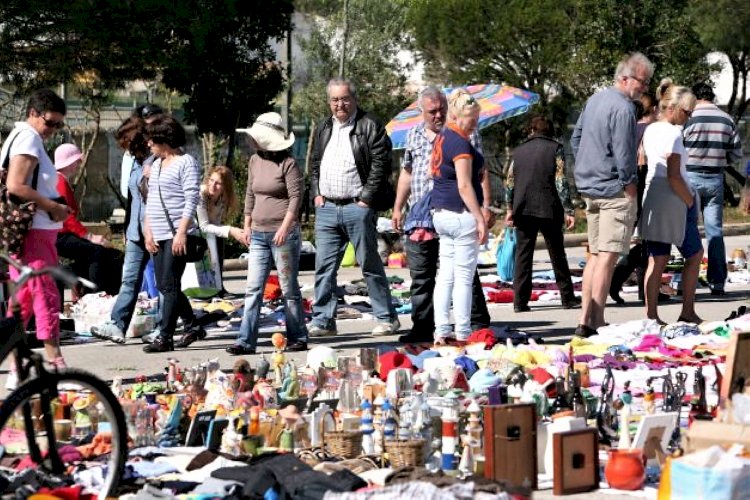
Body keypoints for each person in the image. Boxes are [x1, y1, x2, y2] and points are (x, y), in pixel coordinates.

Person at [391, 86, 492, 344]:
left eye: (441, 110)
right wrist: (397, 207)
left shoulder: (453, 137)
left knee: (454, 273)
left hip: (447, 210)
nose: (437, 115)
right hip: (441, 212)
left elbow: (477, 173)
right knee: (442, 275)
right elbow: (411, 173)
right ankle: (446, 329)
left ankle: (458, 326)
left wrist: (486, 205)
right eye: (432, 111)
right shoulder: (432, 137)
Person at [571, 52, 654, 338]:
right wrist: (629, 182)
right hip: (612, 189)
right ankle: (594, 320)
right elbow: (623, 151)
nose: (644, 89)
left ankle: (587, 318)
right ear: (624, 77)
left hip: (590, 185)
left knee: (595, 256)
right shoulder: (623, 108)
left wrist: (586, 165)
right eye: (642, 82)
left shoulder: (595, 100)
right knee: (607, 256)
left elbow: (575, 138)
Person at [308, 78, 399, 337]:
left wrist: (366, 200)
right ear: (329, 102)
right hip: (327, 208)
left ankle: (386, 317)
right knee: (324, 267)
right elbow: (314, 163)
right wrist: (316, 194)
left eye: (345, 98)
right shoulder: (325, 127)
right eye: (335, 100)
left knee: (369, 264)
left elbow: (381, 163)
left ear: (354, 99)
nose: (340, 104)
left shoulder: (370, 125)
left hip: (357, 207)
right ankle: (324, 321)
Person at [226, 112, 308, 355]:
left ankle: (298, 336)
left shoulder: (289, 164)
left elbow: (296, 198)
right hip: (259, 234)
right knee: (253, 288)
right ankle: (245, 340)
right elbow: (251, 194)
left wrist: (285, 227)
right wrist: (247, 224)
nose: (252, 141)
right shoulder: (254, 161)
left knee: (288, 288)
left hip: (282, 234)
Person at [2, 88, 72, 373]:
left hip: (29, 230)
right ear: (33, 113)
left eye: (58, 124)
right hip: (35, 229)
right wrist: (52, 207)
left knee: (24, 298)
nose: (53, 130)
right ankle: (56, 362)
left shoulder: (20, 136)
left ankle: (15, 363)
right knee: (45, 293)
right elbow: (16, 185)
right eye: (50, 122)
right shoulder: (29, 138)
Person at [91, 116, 162, 344]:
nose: (125, 150)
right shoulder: (136, 162)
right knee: (129, 279)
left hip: (157, 232)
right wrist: (127, 228)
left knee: (164, 283)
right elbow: (132, 199)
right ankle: (118, 324)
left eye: (126, 144)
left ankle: (165, 326)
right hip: (134, 232)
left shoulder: (157, 161)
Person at [640, 80, 702, 324]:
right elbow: (674, 175)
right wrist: (689, 200)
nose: (688, 117)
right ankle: (687, 311)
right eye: (687, 112)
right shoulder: (674, 133)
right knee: (695, 254)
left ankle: (651, 315)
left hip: (654, 196)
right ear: (672, 108)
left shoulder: (651, 129)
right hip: (674, 199)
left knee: (657, 259)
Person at [504, 115, 579, 312]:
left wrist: (509, 208)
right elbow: (560, 181)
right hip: (549, 207)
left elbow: (510, 182)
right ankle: (567, 297)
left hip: (523, 207)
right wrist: (569, 209)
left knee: (523, 255)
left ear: (531, 130)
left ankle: (520, 302)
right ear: (549, 131)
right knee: (557, 253)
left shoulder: (518, 152)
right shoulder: (555, 149)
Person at [142, 115, 204, 353]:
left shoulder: (186, 162)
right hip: (157, 233)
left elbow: (191, 199)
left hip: (177, 233)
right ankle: (192, 325)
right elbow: (151, 200)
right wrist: (147, 230)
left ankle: (165, 336)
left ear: (165, 139)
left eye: (152, 140)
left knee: (168, 285)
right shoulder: (156, 164)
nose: (149, 144)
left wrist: (181, 233)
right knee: (166, 285)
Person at [430, 89, 487, 345]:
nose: (473, 122)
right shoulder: (460, 143)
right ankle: (463, 333)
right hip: (460, 213)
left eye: (475, 117)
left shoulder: (443, 137)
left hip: (441, 212)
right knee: (463, 277)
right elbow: (464, 185)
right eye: (469, 117)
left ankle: (442, 330)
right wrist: (480, 217)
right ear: (455, 114)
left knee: (446, 275)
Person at [683, 82, 743, 296]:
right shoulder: (726, 119)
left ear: (695, 96)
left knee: (687, 229)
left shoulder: (688, 117)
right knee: (714, 231)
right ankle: (717, 282)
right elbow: (736, 154)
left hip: (689, 178)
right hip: (715, 179)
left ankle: (686, 279)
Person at [54, 143, 123, 299]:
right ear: (70, 162)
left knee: (88, 253)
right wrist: (90, 236)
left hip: (61, 234)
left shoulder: (60, 180)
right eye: (77, 161)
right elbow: (67, 216)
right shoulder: (60, 182)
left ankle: (83, 287)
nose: (79, 165)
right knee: (96, 250)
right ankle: (96, 294)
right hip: (60, 236)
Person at [196, 165, 244, 292]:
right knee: (220, 235)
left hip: (209, 233)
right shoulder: (200, 194)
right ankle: (208, 287)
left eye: (218, 183)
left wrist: (230, 231)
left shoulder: (223, 199)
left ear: (225, 187)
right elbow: (204, 226)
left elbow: (216, 224)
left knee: (219, 241)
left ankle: (218, 284)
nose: (213, 185)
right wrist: (230, 230)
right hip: (195, 233)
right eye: (211, 180)